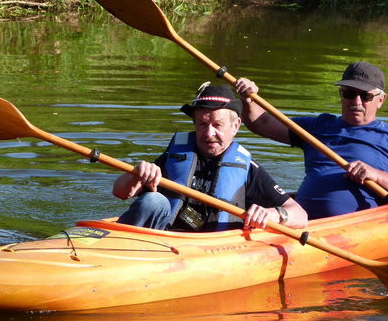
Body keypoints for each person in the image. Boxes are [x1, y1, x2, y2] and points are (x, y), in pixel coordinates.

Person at [235, 62, 388, 220]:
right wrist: (249, 99)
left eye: (366, 96)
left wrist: (376, 175)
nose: (356, 102)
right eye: (349, 93)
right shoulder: (318, 126)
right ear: (341, 94)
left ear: (381, 99)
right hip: (299, 222)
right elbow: (261, 124)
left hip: (355, 227)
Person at [112, 82, 307, 231]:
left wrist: (274, 214)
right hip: (161, 241)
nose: (209, 133)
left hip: (208, 250)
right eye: (202, 124)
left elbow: (301, 215)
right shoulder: (175, 156)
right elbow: (120, 192)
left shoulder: (247, 169)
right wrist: (137, 173)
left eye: (218, 125)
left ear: (236, 126)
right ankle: (115, 251)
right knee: (153, 201)